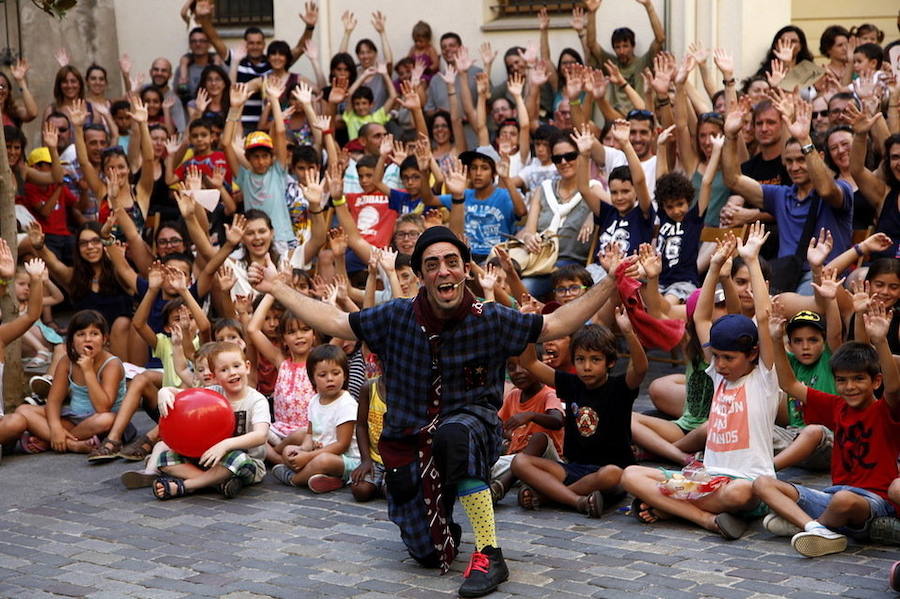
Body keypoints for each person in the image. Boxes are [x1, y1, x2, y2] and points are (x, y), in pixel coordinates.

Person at [248, 223, 626, 597]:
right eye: (432, 265)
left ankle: (489, 554)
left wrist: (611, 280)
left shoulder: (490, 318)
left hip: (470, 426)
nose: (443, 271)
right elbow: (335, 322)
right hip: (408, 440)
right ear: (420, 276)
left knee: (454, 433)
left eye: (451, 262)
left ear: (464, 269)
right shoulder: (395, 315)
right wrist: (277, 287)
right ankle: (440, 519)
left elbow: (556, 323)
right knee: (427, 554)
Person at [621, 227, 776, 540]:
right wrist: (716, 267)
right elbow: (702, 319)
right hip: (705, 479)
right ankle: (707, 520)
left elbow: (764, 317)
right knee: (630, 475)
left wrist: (752, 260)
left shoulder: (764, 378)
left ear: (752, 354)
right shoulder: (718, 373)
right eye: (715, 357)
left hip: (744, 485)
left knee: (738, 496)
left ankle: (670, 507)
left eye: (728, 359)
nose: (719, 365)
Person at [753, 301, 899, 557]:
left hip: (872, 501)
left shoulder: (885, 410)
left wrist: (881, 341)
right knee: (763, 483)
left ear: (875, 381)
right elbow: (789, 384)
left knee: (844, 501)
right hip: (833, 496)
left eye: (858, 379)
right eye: (842, 380)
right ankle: (818, 528)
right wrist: (776, 339)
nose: (849, 387)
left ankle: (807, 523)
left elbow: (894, 389)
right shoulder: (836, 406)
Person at [513, 312, 646, 517]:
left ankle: (548, 496)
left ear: (609, 362)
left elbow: (640, 369)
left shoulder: (620, 387)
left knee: (613, 475)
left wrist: (628, 332)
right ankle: (577, 501)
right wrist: (530, 325)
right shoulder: (571, 384)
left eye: (595, 360)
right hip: (573, 469)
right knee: (520, 462)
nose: (586, 367)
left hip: (609, 473)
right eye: (580, 359)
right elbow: (530, 363)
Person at [723, 99, 852, 295]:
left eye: (801, 160)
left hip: (824, 277)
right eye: (789, 161)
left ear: (819, 157)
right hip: (783, 276)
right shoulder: (781, 195)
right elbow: (733, 180)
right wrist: (731, 135)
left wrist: (805, 140)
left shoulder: (841, 188)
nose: (794, 167)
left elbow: (826, 190)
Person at [152, 341, 269, 499]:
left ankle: (186, 486)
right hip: (208, 459)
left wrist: (225, 445)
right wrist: (165, 391)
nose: (232, 373)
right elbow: (182, 395)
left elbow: (260, 436)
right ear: (214, 376)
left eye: (236, 366)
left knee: (237, 458)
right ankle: (217, 483)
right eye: (223, 369)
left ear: (247, 367)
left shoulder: (257, 400)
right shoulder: (213, 392)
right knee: (165, 458)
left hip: (244, 463)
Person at [16, 310, 127, 454]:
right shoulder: (66, 362)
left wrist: (88, 371)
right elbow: (54, 401)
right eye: (81, 334)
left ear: (104, 339)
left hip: (102, 423)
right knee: (23, 410)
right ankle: (70, 444)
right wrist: (55, 427)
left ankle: (50, 440)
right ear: (72, 341)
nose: (88, 339)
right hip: (74, 418)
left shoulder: (111, 364)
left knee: (106, 419)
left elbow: (103, 408)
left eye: (94, 334)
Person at [271, 344, 360, 492]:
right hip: (319, 452)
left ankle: (294, 479)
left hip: (346, 460)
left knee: (323, 460)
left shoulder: (346, 404)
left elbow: (341, 445)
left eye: (336, 373)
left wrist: (308, 457)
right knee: (288, 450)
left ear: (344, 375)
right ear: (312, 378)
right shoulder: (314, 401)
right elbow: (310, 434)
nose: (330, 379)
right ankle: (331, 480)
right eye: (323, 375)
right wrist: (302, 450)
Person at [247, 295, 318, 464]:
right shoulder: (280, 360)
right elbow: (252, 330)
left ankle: (279, 458)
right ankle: (285, 460)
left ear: (314, 334)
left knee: (303, 435)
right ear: (284, 339)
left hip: (305, 434)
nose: (299, 336)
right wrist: (272, 291)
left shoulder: (319, 361)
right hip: (277, 432)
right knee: (252, 431)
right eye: (291, 332)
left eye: (305, 329)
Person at [580, 0, 666, 113]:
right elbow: (591, 44)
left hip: (641, 117)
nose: (621, 51)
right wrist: (592, 13)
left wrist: (649, 6)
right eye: (617, 47)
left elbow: (660, 38)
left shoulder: (644, 62)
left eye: (625, 46)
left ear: (633, 46)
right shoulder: (611, 64)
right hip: (616, 118)